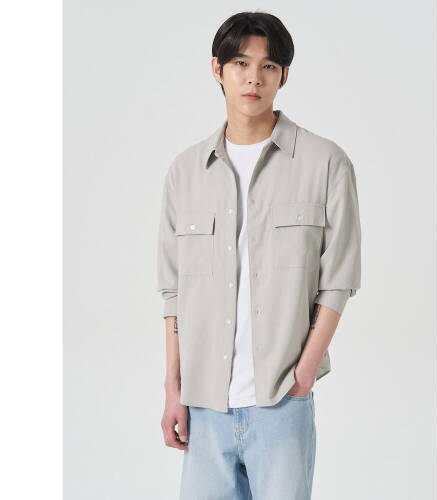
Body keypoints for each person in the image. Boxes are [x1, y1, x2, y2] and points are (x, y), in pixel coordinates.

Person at [157, 11, 361, 499]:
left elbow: (339, 278)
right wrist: (173, 389)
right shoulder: (185, 172)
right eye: (241, 63)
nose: (254, 78)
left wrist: (304, 373)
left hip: (281, 403)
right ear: (217, 68)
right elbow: (174, 292)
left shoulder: (325, 163)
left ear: (284, 76)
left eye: (268, 66)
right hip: (204, 407)